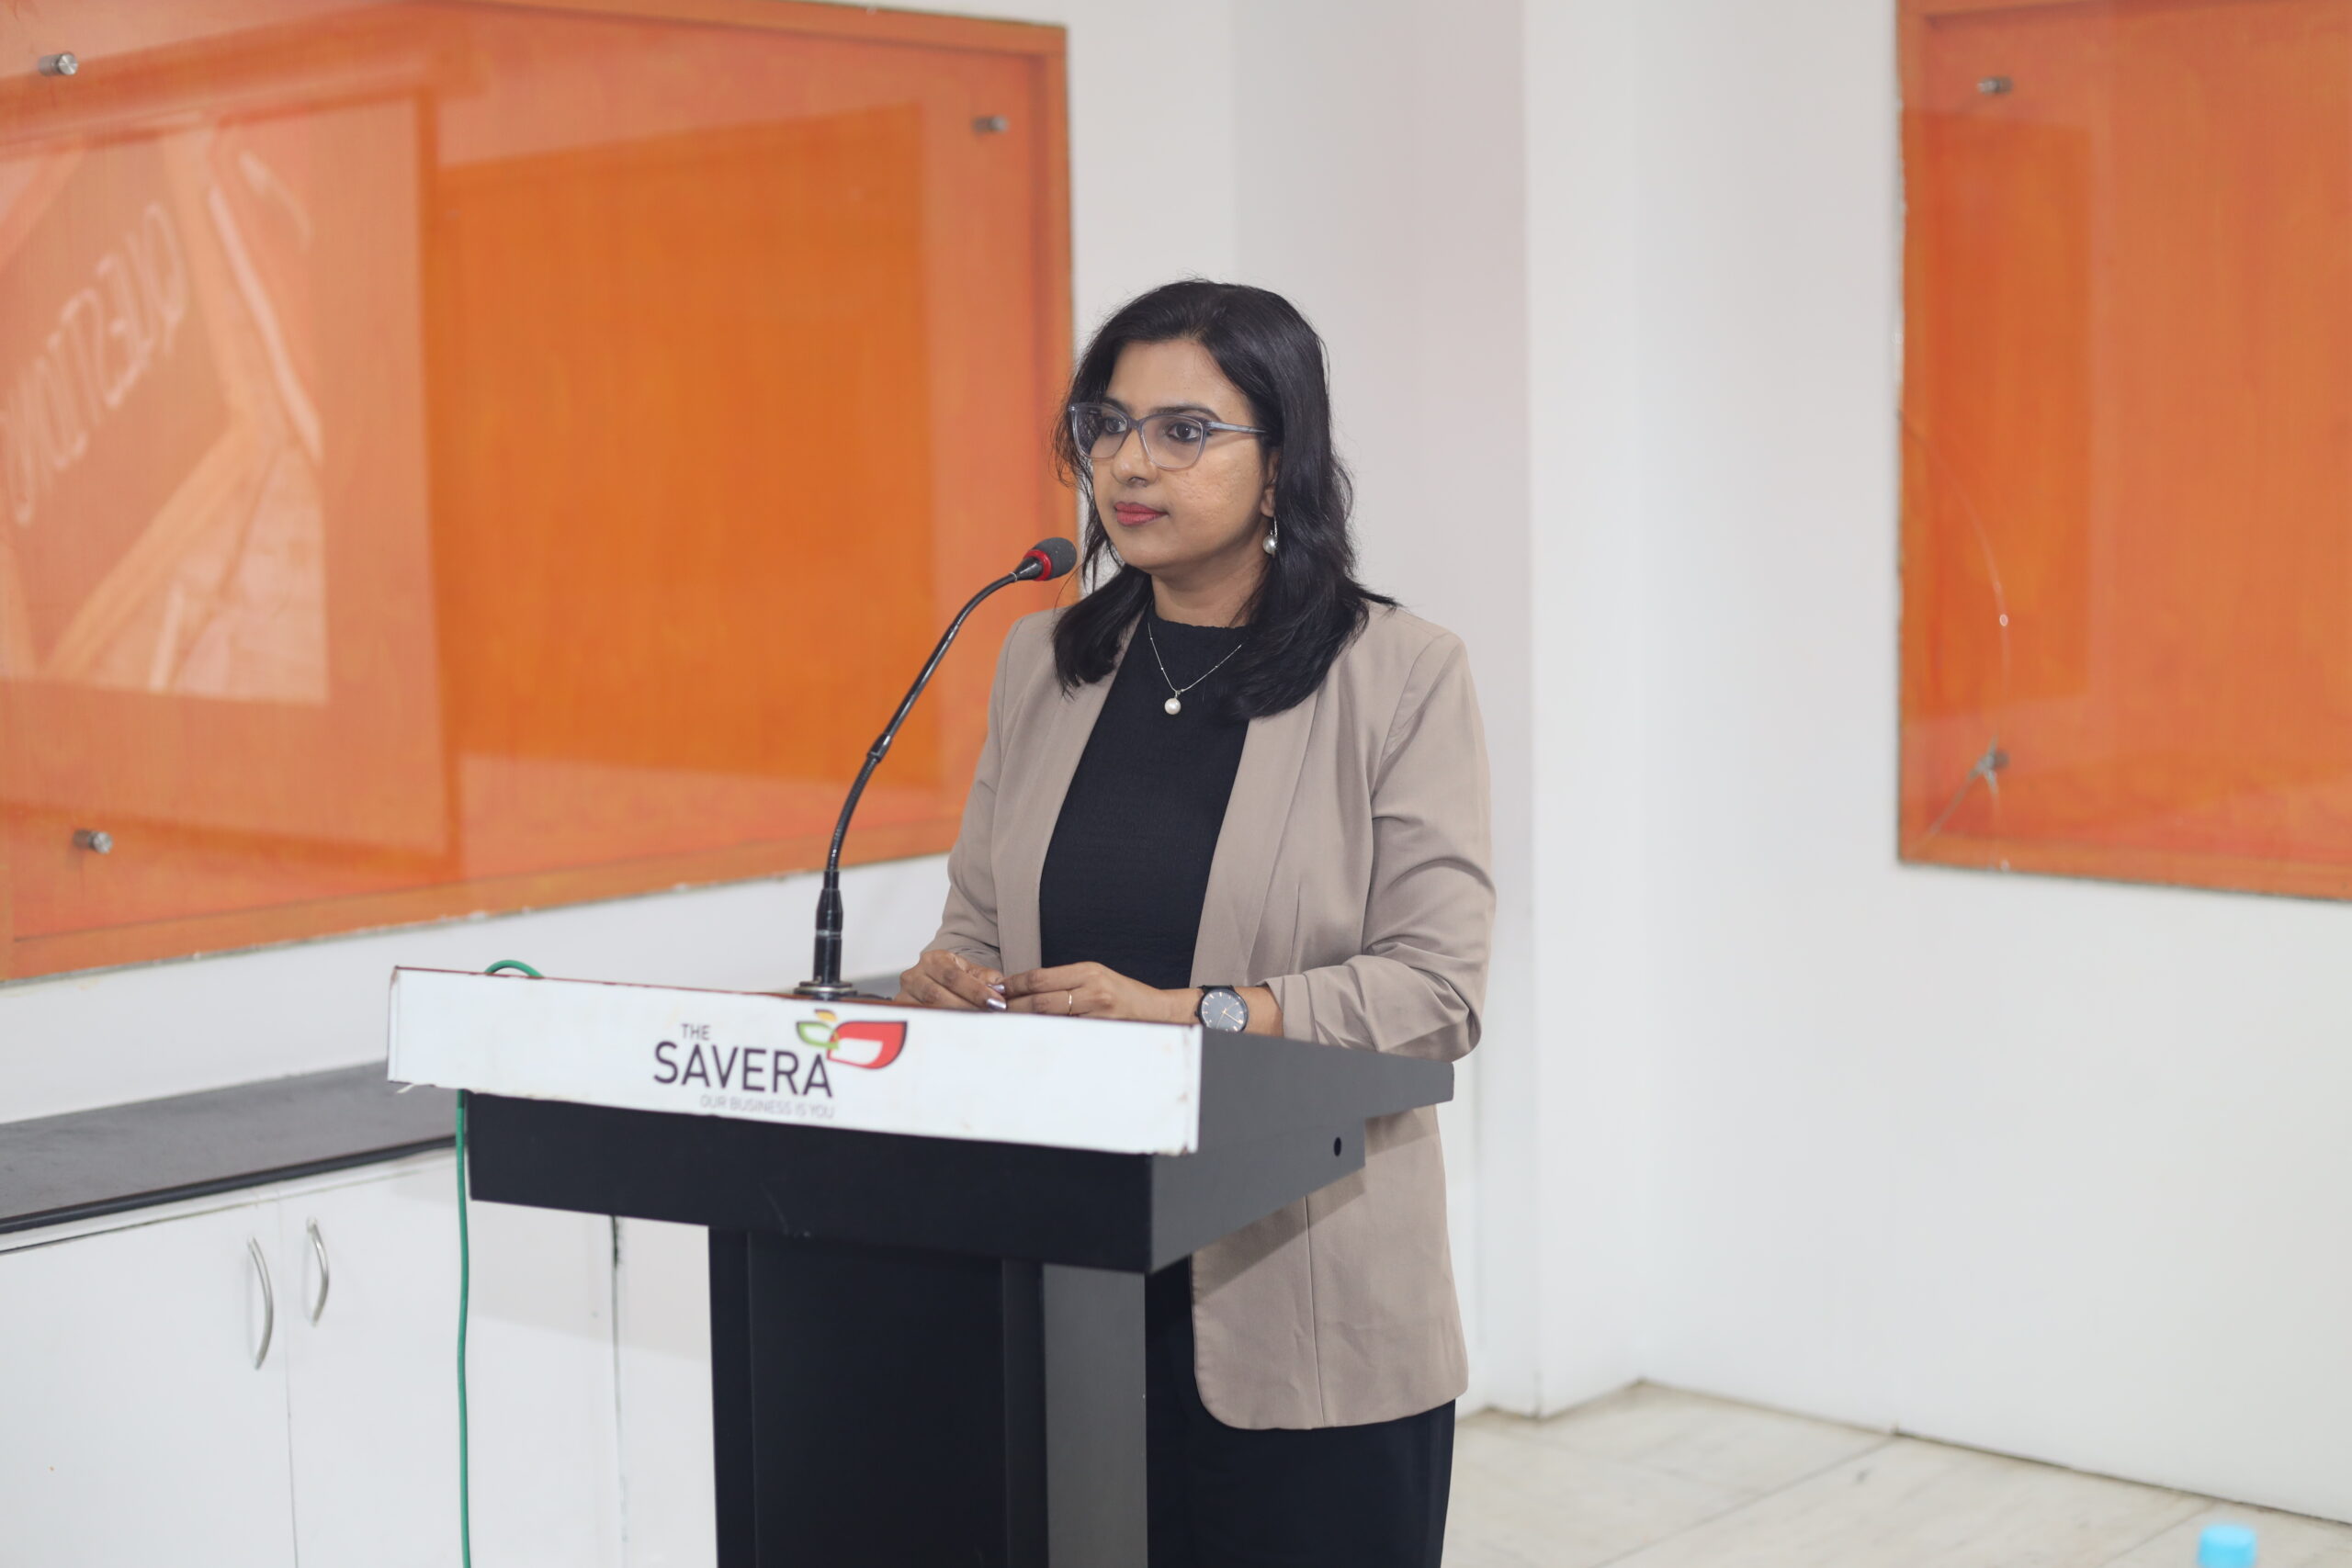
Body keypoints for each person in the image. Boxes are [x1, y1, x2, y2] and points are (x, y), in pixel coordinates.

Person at [896, 279, 1493, 1568]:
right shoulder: (1044, 665)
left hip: (1302, 1295)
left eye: (1183, 432)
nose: (1129, 463)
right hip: (1069, 1282)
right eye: (1106, 425)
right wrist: (951, 982)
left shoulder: (1399, 673)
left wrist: (1196, 1014)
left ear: (1283, 464)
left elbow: (1437, 992)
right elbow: (980, 924)